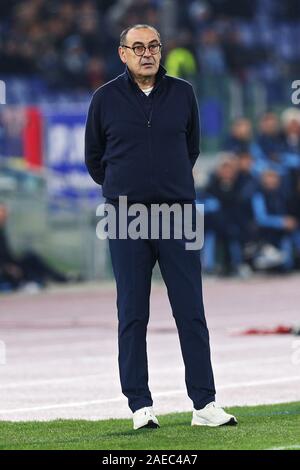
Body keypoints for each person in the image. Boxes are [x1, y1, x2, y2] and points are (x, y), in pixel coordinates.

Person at [85, 24, 237, 430]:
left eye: (153, 46)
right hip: (126, 216)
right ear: (123, 53)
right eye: (137, 47)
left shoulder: (184, 93)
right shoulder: (104, 99)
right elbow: (95, 158)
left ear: (160, 49)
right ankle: (140, 405)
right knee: (132, 312)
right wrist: (128, 190)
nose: (147, 53)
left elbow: (192, 149)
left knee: (191, 311)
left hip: (178, 215)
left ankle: (204, 404)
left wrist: (165, 187)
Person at [0, 203, 71, 291]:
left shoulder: (2, 230)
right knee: (23, 269)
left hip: (10, 263)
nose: (5, 215)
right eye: (2, 212)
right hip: (4, 268)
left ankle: (60, 278)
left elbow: (8, 255)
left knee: (31, 256)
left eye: (5, 212)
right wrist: (7, 267)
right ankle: (35, 281)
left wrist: (13, 264)